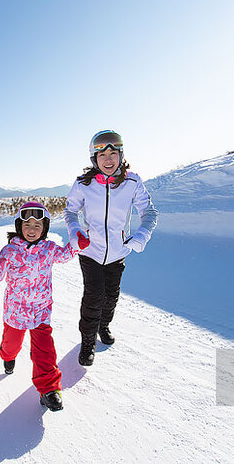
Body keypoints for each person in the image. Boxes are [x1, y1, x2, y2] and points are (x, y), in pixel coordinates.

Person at [0, 201, 90, 411]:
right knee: (11, 345)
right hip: (15, 312)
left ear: (44, 229)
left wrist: (77, 244)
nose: (32, 230)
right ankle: (8, 358)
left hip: (41, 311)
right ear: (19, 226)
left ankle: (49, 389)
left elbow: (64, 255)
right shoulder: (10, 251)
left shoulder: (49, 248)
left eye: (37, 226)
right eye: (27, 225)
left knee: (45, 351)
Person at [64, 130, 158, 366]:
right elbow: (70, 212)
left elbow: (149, 212)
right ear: (94, 159)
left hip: (118, 252)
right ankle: (88, 342)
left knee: (111, 297)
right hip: (90, 251)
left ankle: (103, 325)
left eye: (113, 153)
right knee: (94, 296)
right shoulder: (83, 184)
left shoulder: (132, 182)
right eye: (102, 154)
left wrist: (141, 235)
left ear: (120, 155)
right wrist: (77, 233)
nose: (108, 159)